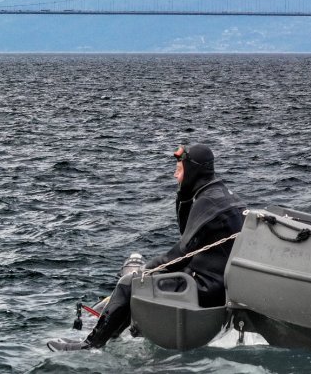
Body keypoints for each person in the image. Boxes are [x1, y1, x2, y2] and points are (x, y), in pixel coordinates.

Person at [47, 144, 246, 351]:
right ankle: (112, 332)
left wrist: (144, 272)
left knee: (128, 283)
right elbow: (190, 243)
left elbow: (181, 253)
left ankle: (91, 344)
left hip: (204, 289)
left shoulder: (207, 202)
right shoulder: (221, 194)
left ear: (193, 169)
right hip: (220, 286)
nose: (174, 173)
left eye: (180, 167)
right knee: (146, 277)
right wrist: (185, 195)